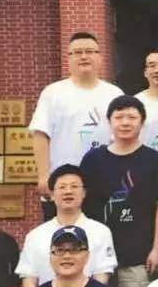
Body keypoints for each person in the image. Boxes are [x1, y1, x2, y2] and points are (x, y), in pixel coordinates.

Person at [80, 95, 158, 287]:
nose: (125, 122)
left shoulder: (155, 161)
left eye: (132, 117)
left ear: (142, 122)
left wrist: (157, 249)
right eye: (119, 117)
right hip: (97, 256)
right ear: (109, 121)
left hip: (138, 255)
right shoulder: (93, 160)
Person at [30, 31, 124, 209]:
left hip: (105, 181)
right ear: (68, 58)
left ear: (100, 57)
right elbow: (40, 134)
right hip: (62, 183)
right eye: (77, 52)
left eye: (89, 51)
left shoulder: (114, 94)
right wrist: (43, 175)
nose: (84, 56)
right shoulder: (53, 92)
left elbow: (123, 137)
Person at [17, 165, 116, 287]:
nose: (68, 191)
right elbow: (29, 279)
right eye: (62, 187)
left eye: (74, 186)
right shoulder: (35, 236)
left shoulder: (101, 232)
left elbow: (102, 277)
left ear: (84, 193)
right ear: (52, 194)